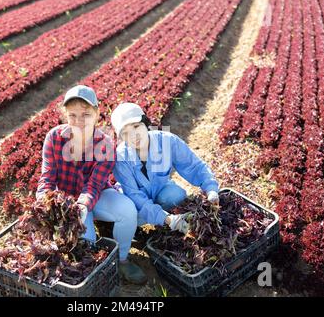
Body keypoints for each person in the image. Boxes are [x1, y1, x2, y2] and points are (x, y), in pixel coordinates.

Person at [36, 86, 147, 285]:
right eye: (72, 115)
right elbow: (47, 177)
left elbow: (95, 185)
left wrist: (84, 206)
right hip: (67, 202)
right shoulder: (54, 138)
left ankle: (122, 259)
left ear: (96, 113)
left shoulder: (105, 145)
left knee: (127, 210)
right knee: (86, 243)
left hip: (96, 196)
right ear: (65, 116)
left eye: (85, 114)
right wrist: (45, 203)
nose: (78, 121)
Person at [111, 102, 220, 233]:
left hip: (160, 190)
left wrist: (211, 189)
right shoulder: (121, 158)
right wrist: (168, 219)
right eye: (125, 133)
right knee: (130, 217)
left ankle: (161, 219)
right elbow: (135, 196)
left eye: (136, 127)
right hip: (133, 202)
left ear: (146, 124)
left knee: (176, 196)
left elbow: (194, 165)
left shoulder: (167, 141)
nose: (134, 136)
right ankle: (149, 223)